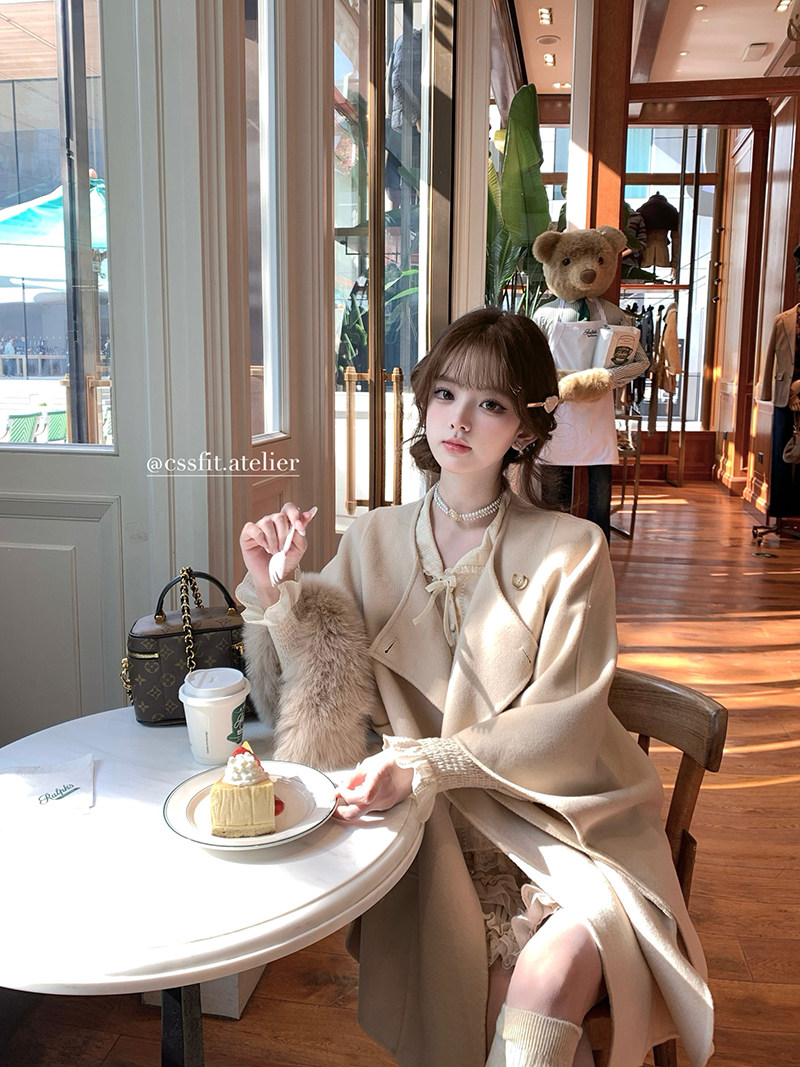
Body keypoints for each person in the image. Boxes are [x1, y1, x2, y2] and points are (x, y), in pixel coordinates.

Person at [236, 308, 713, 1067]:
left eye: (491, 403)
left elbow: (565, 728)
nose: (459, 419)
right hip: (433, 838)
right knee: (496, 1010)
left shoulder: (573, 549)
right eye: (446, 393)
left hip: (565, 821)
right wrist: (277, 591)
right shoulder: (373, 537)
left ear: (524, 428)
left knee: (543, 987)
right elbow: (318, 700)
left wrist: (424, 764)